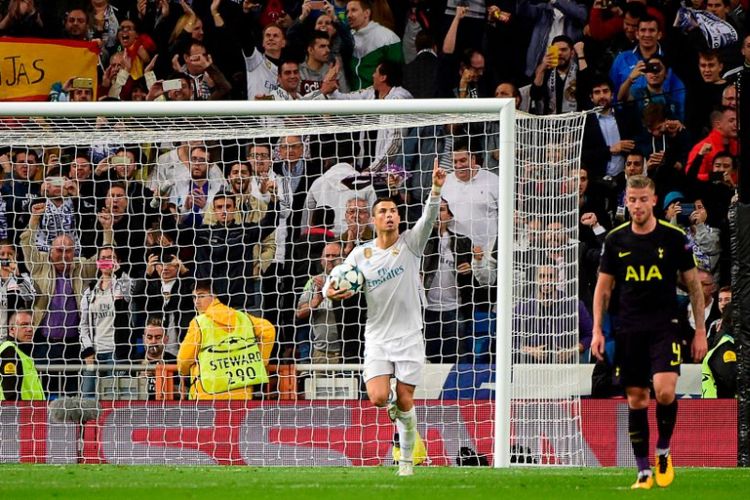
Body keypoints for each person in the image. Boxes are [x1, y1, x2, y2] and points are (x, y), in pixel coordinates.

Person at [326, 160, 446, 476]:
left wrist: (435, 189)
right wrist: (330, 292)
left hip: (409, 335)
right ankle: (393, 408)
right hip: (378, 335)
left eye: (393, 211)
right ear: (374, 219)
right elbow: (334, 280)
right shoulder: (360, 255)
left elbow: (429, 217)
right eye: (383, 211)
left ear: (398, 217)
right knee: (379, 397)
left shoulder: (411, 244)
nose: (390, 215)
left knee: (406, 401)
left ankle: (406, 462)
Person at [592, 175, 707, 489]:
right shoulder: (615, 240)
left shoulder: (673, 237)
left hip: (665, 326)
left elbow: (695, 287)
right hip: (629, 329)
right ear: (626, 201)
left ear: (654, 201)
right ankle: (643, 471)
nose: (638, 205)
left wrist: (699, 332)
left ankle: (664, 450)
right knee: (637, 398)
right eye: (632, 199)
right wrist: (598, 331)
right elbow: (603, 290)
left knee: (665, 391)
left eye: (643, 199)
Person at [177, 280, 275, 400]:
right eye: (194, 297)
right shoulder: (242, 318)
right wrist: (261, 360)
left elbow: (184, 359)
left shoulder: (199, 323)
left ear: (214, 296)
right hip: (241, 395)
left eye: (201, 296)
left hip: (205, 394)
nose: (196, 301)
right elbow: (269, 330)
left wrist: (183, 371)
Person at [296, 242, 345, 364]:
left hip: (346, 352)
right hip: (321, 353)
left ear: (343, 259)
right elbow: (299, 314)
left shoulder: (352, 280)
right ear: (321, 261)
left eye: (335, 255)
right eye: (327, 256)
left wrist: (328, 290)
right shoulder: (313, 282)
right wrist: (316, 302)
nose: (331, 259)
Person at [0, 310, 44, 401]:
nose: (30, 329)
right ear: (12, 329)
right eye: (24, 325)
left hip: (30, 411)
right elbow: (10, 393)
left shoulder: (21, 351)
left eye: (32, 324)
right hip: (16, 413)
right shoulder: (10, 351)